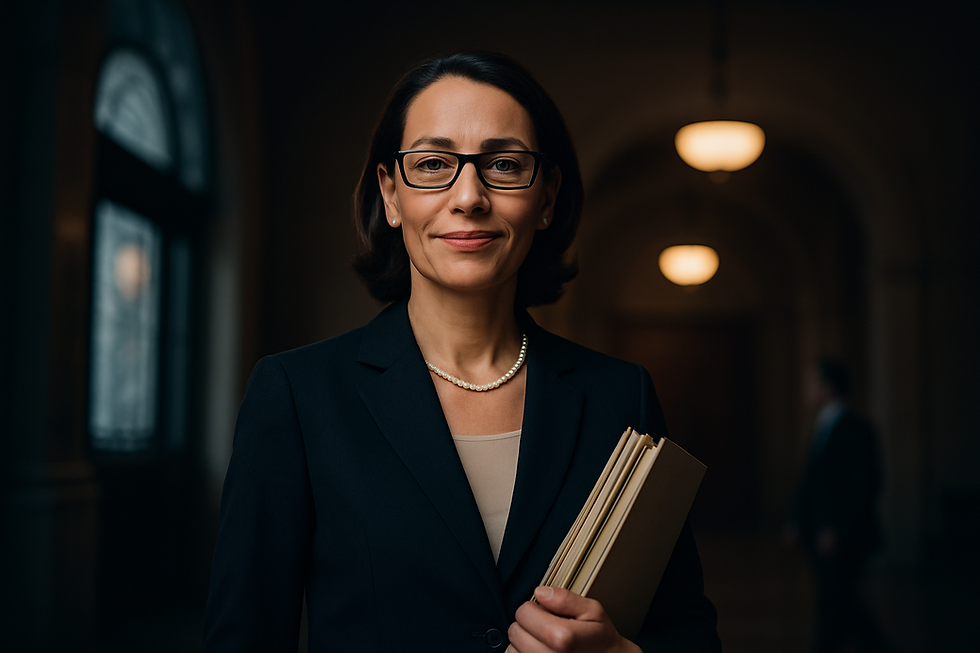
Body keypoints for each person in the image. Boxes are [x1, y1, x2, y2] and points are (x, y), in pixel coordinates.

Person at [202, 51, 721, 653]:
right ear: (391, 195)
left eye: (504, 164)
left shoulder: (619, 392)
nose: (468, 196)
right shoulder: (297, 394)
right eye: (432, 164)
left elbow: (688, 628)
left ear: (547, 198)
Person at [784, 357, 889, 653]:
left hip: (842, 537)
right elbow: (812, 483)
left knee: (839, 602)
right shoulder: (823, 425)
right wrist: (796, 522)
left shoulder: (855, 428)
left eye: (811, 383)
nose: (807, 390)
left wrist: (837, 529)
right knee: (836, 602)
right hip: (822, 534)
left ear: (827, 387)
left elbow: (864, 484)